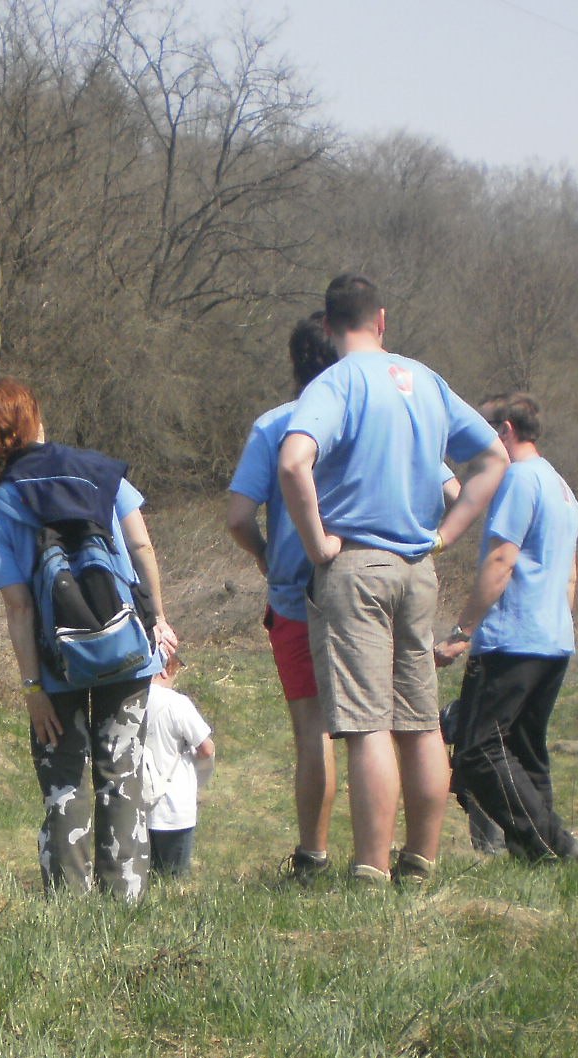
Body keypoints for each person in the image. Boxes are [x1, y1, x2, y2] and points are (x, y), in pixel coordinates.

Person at [277, 274, 509, 886]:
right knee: (420, 721)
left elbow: (293, 460)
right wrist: (450, 533)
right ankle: (420, 861)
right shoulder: (426, 381)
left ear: (328, 328)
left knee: (366, 723)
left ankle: (369, 870)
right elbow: (493, 460)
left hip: (355, 567)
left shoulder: (336, 382)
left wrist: (316, 541)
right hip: (417, 570)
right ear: (382, 320)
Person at [0, 378, 179, 899]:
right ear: (35, 418)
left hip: (54, 661)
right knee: (122, 770)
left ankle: (68, 907)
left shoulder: (1, 507)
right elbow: (142, 547)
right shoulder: (104, 472)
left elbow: (18, 608)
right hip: (126, 648)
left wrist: (31, 689)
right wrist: (158, 622)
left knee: (65, 781)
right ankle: (124, 900)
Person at [434, 395, 578, 862]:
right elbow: (571, 574)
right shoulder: (560, 486)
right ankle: (542, 858)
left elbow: (502, 558)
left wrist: (463, 630)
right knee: (524, 750)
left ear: (504, 431)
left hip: (511, 637)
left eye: (482, 432)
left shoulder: (519, 479)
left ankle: (552, 848)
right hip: (553, 638)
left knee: (477, 752)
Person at [225, 312, 341, 880]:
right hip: (375, 586)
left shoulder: (276, 426)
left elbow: (239, 517)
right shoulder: (378, 416)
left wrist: (269, 555)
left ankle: (313, 857)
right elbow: (447, 488)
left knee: (313, 728)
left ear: (295, 364)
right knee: (390, 726)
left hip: (300, 597)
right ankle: (393, 856)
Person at [142, 658, 214, 878]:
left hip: (137, 805)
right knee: (172, 881)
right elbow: (206, 748)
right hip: (173, 808)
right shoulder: (176, 703)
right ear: (165, 670)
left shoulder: (129, 701)